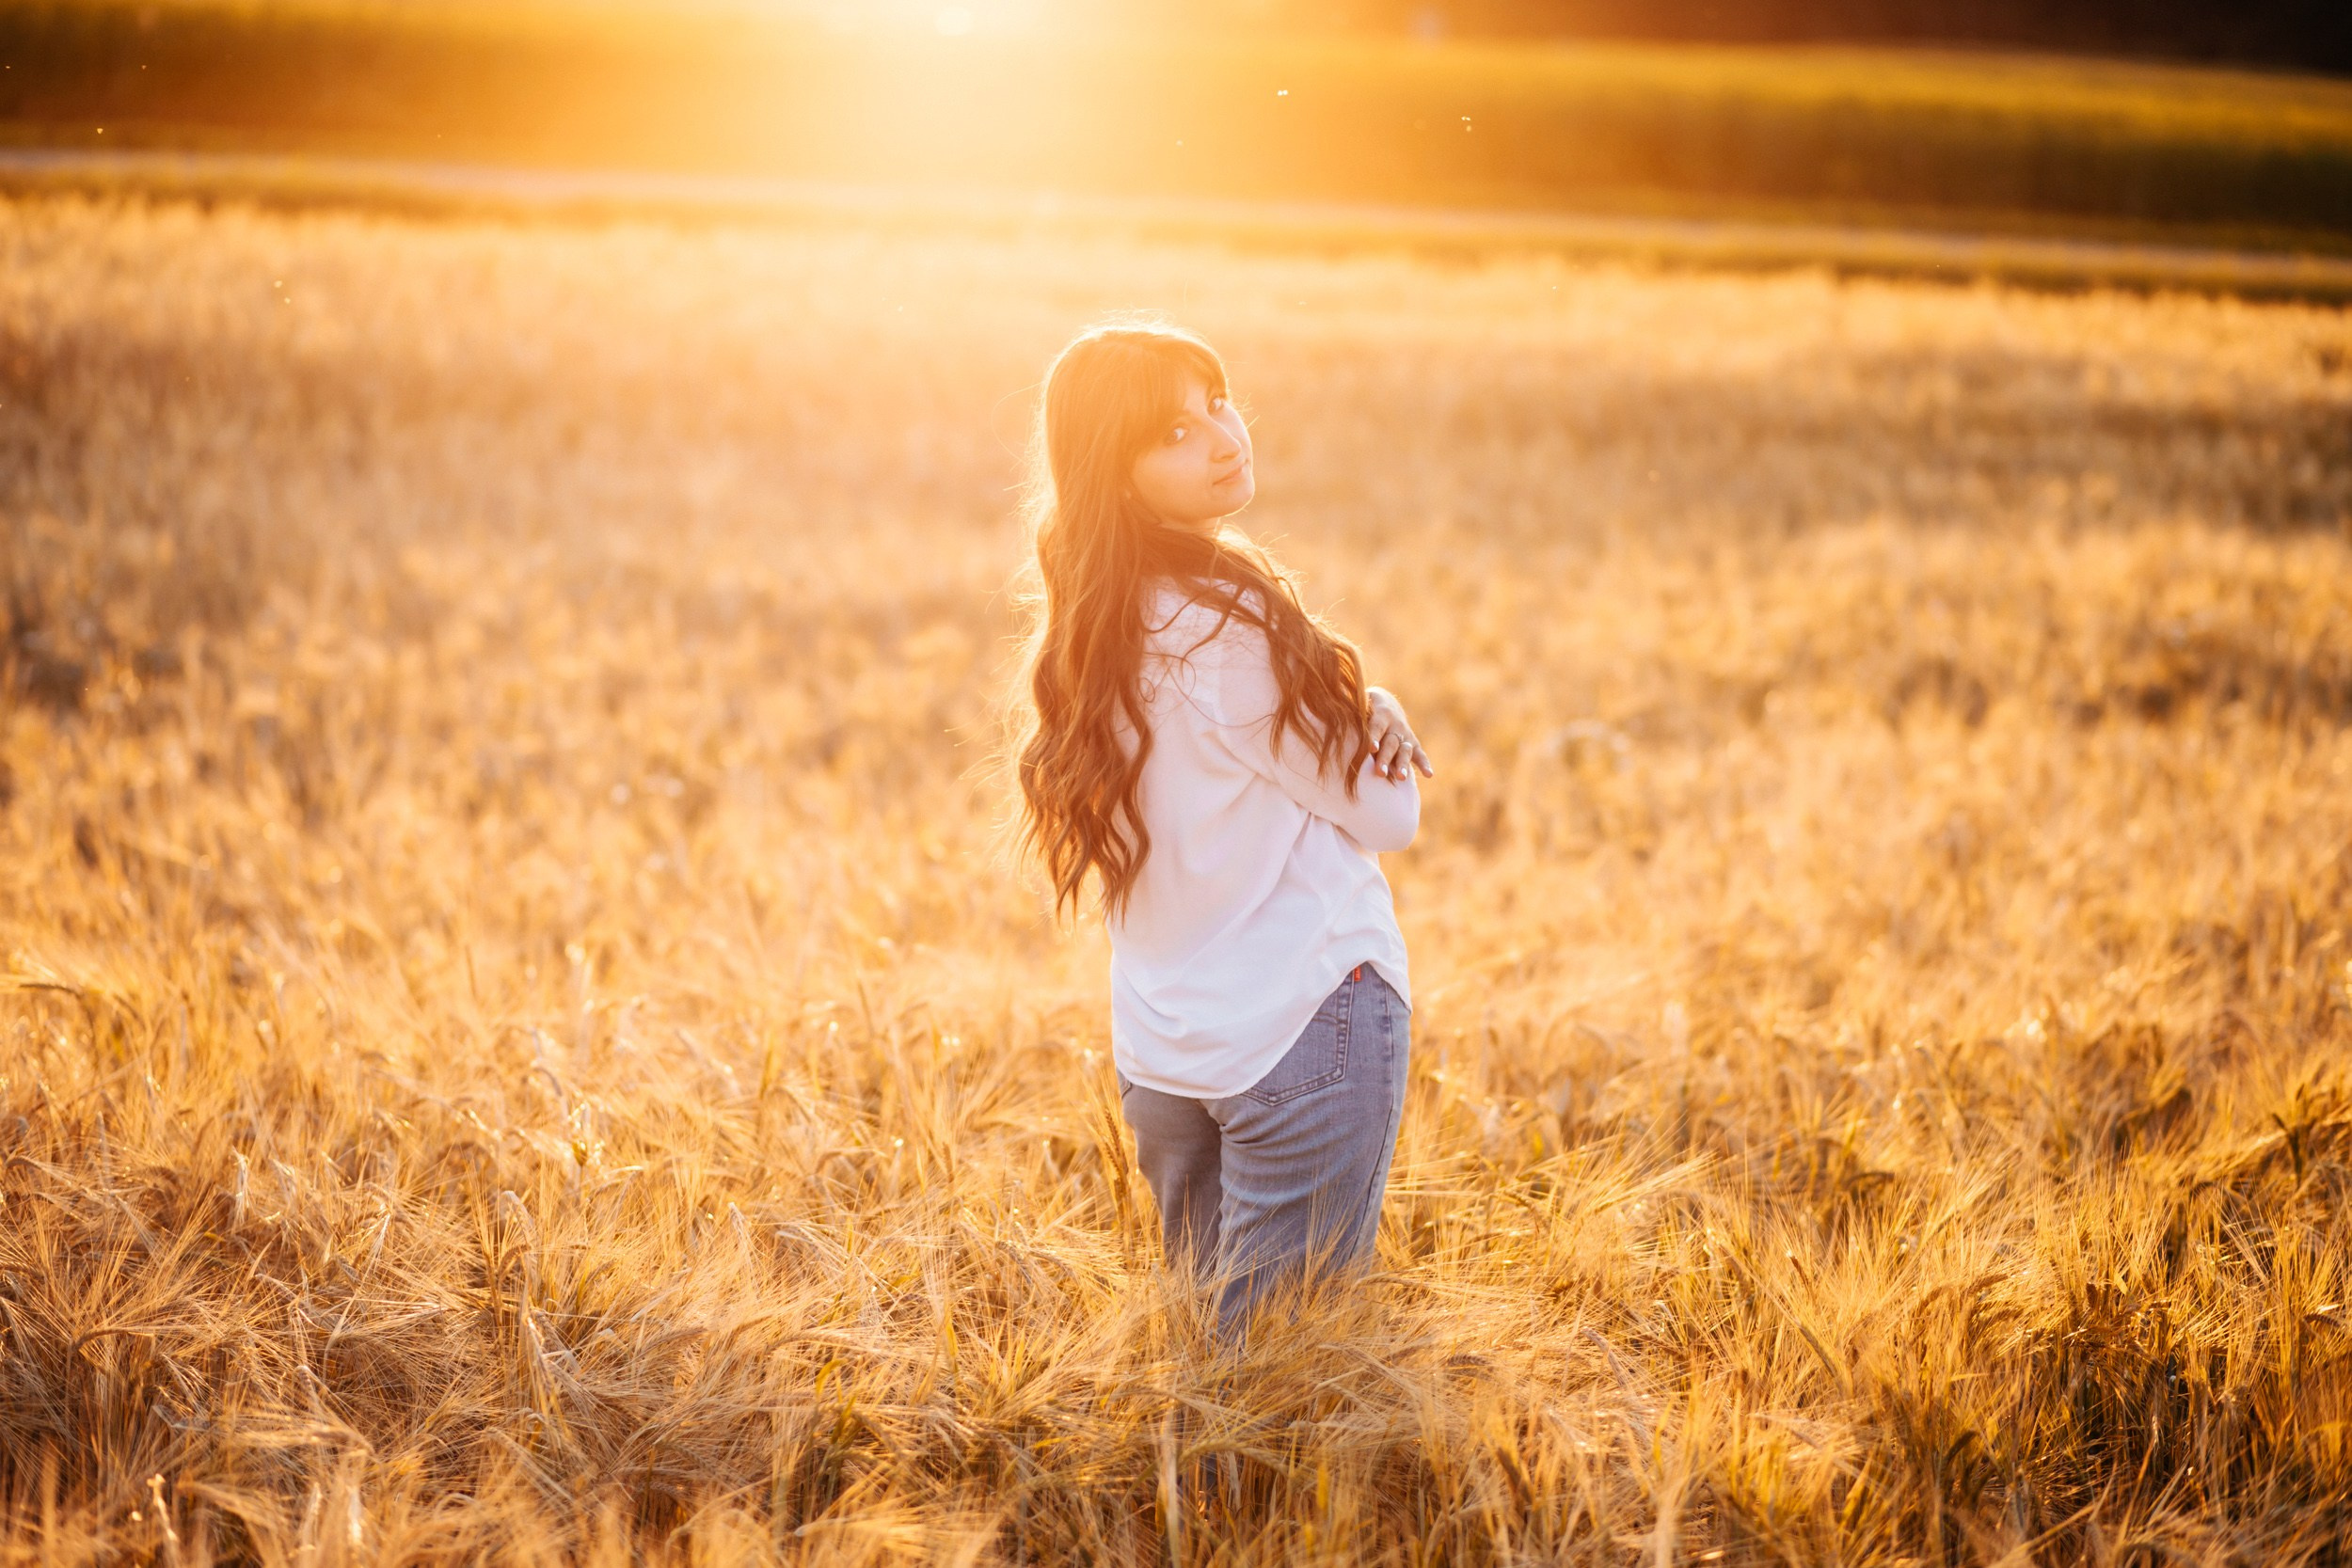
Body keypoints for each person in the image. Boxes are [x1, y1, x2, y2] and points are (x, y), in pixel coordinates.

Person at [1009, 318, 1433, 1335]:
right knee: (1280, 1386)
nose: (1222, 437)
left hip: (1164, 1053)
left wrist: (1343, 698)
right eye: (1173, 432)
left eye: (1217, 403)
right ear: (1116, 472)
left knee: (1205, 1361)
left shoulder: (1088, 630)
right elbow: (1386, 813)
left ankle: (1176, 1504)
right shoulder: (1223, 626)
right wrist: (1370, 706)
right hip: (1302, 1026)